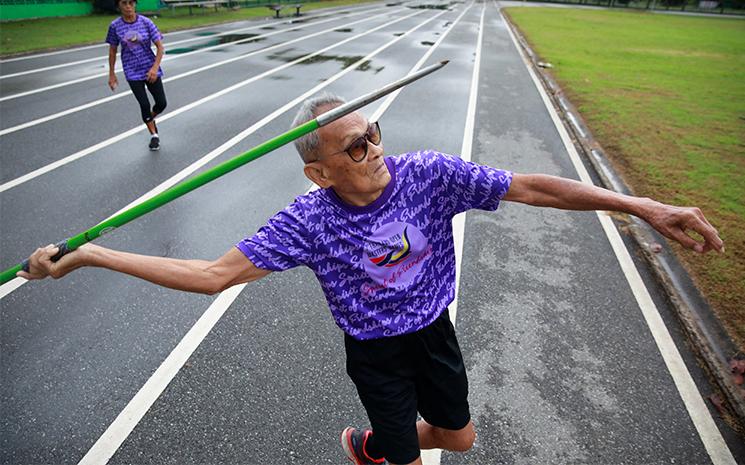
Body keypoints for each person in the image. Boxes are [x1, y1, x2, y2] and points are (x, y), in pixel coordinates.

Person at [19, 94, 724, 465]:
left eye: (374, 133)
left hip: (433, 333)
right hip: (376, 355)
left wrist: (639, 204)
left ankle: (372, 445)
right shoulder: (307, 219)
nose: (373, 150)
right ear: (319, 170)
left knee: (459, 440)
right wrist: (90, 256)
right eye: (355, 147)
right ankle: (385, 446)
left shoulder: (424, 175)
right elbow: (211, 275)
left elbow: (532, 187)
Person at [106, 0, 167, 151]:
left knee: (161, 103)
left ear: (135, 5)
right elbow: (112, 50)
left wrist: (154, 68)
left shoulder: (146, 22)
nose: (128, 6)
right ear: (119, 5)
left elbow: (160, 47)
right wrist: (112, 74)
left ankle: (149, 118)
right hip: (132, 71)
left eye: (131, 3)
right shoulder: (115, 26)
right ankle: (154, 135)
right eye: (124, 3)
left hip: (150, 68)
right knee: (144, 105)